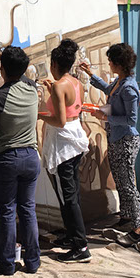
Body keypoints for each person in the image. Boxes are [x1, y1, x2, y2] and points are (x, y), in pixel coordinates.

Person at [0, 46, 41, 275]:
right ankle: (33, 262)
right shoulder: (32, 88)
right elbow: (21, 77)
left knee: (7, 211)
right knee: (28, 209)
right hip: (30, 157)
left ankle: (7, 264)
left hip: (6, 158)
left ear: (3, 69)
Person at [80, 43, 140, 247]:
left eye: (110, 61)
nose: (108, 64)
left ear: (119, 64)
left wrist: (105, 117)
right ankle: (126, 217)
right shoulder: (119, 82)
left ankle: (137, 229)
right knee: (120, 180)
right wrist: (90, 74)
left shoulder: (129, 87)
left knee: (128, 184)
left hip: (126, 140)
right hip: (116, 138)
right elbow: (108, 89)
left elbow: (131, 120)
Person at [40, 39, 91, 263]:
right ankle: (73, 236)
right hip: (74, 138)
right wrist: (52, 90)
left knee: (67, 195)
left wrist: (39, 115)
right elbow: (71, 109)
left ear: (54, 64)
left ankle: (81, 246)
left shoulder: (60, 85)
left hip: (64, 143)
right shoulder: (74, 82)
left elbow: (59, 121)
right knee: (72, 193)